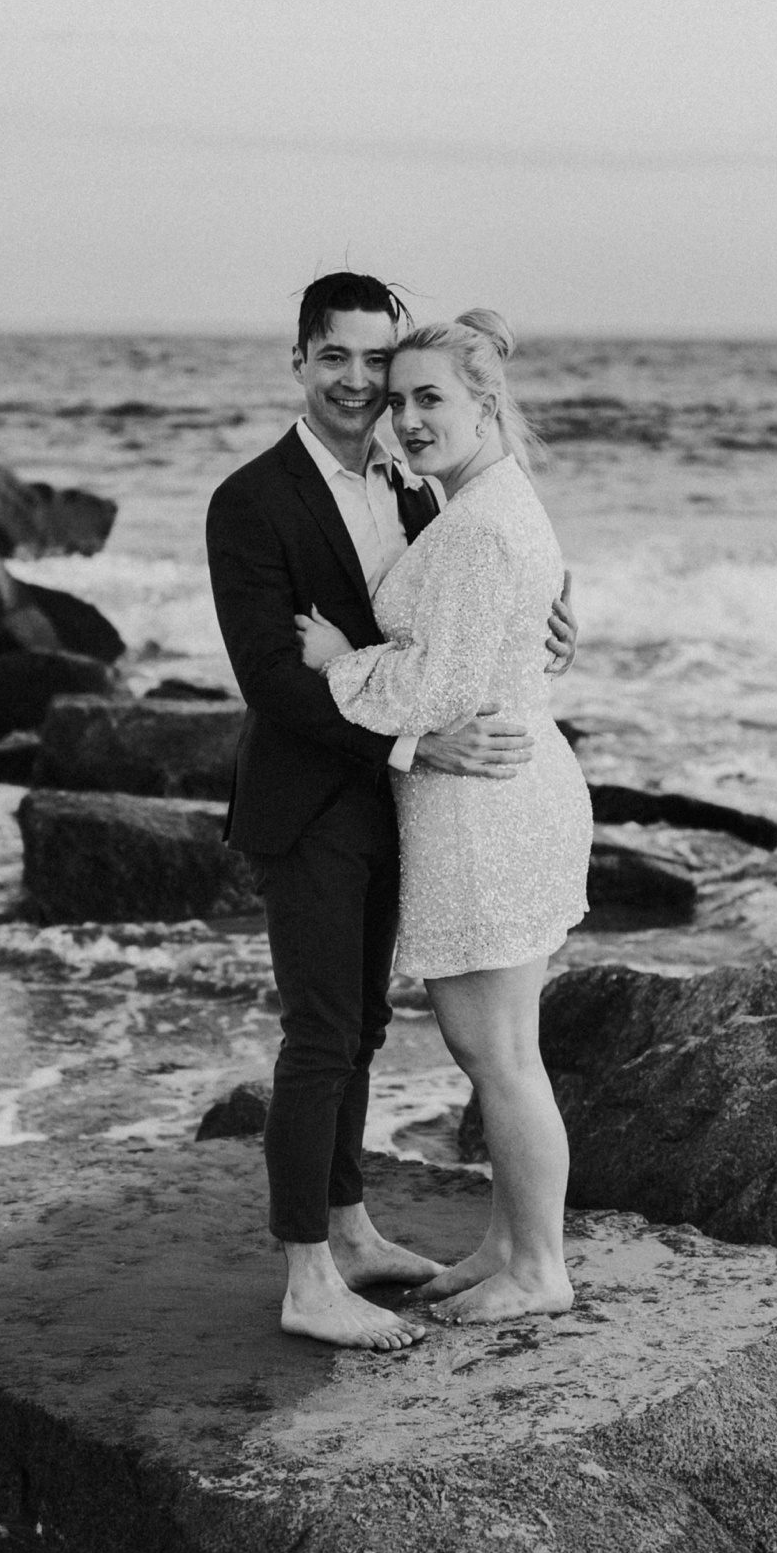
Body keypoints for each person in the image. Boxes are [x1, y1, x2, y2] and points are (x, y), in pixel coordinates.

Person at [205, 273, 578, 1352]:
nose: (365, 385)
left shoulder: (423, 484)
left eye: (382, 364)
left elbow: (483, 597)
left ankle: (353, 1227)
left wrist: (552, 626)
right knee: (321, 1034)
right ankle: (306, 1275)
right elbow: (274, 680)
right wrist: (415, 737)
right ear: (300, 358)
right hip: (317, 796)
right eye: (339, 358)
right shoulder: (252, 499)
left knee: (362, 1029)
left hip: (405, 798)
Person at [295, 310, 593, 1323]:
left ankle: (538, 1267)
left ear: (484, 404)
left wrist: (339, 660)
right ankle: (508, 1243)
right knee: (504, 1044)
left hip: (486, 803)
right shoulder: (487, 500)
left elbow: (434, 685)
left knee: (496, 1050)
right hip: (504, 788)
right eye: (400, 400)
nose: (409, 419)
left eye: (433, 399)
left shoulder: (471, 524)